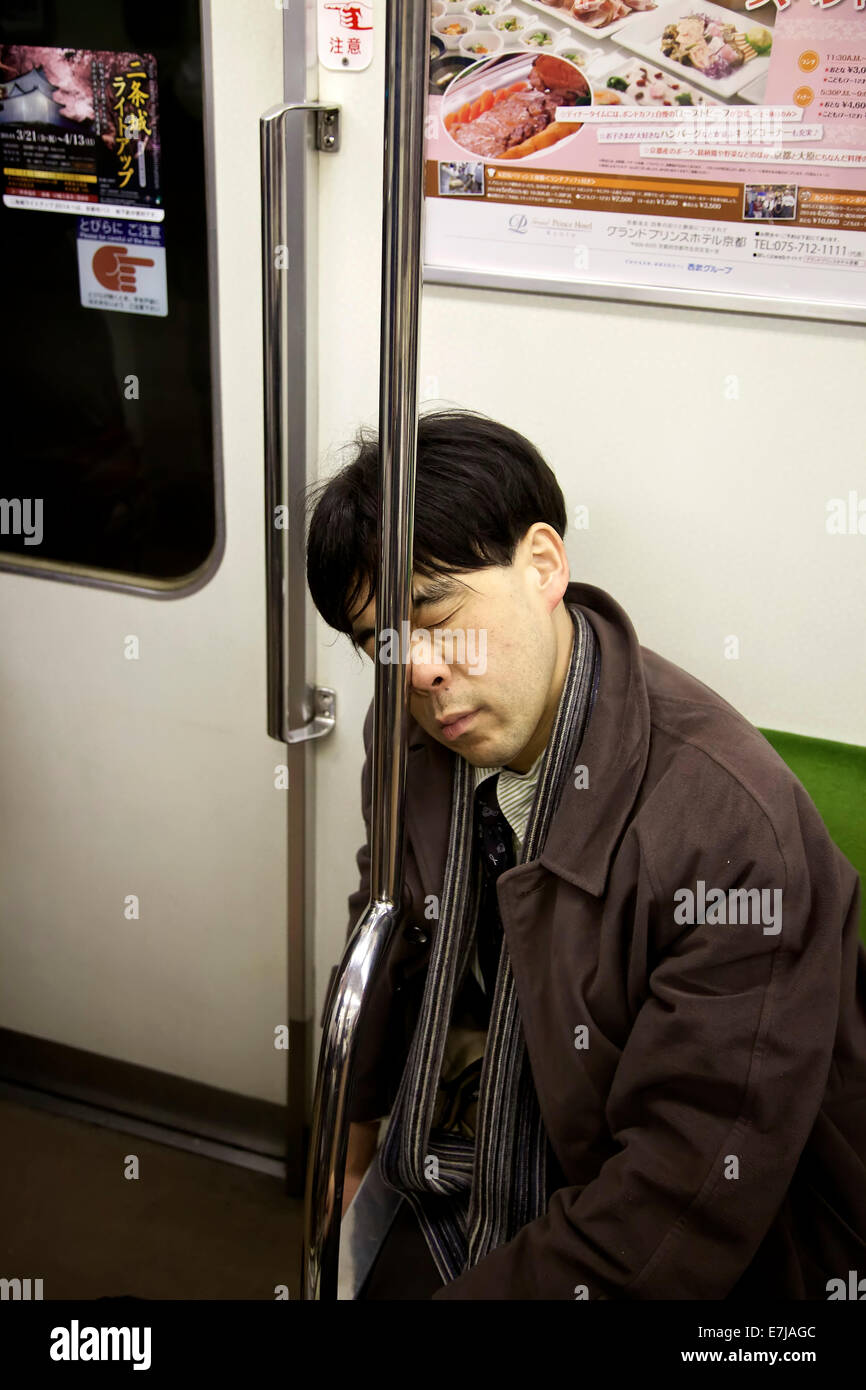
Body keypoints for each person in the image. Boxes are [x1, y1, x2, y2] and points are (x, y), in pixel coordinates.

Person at [306, 409, 866, 1300]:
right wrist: (352, 1148)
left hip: (724, 1243)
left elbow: (679, 1203)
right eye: (384, 645)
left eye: (437, 618)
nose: (418, 673)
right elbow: (387, 937)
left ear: (543, 566)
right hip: (476, 1143)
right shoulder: (413, 735)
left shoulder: (728, 830)